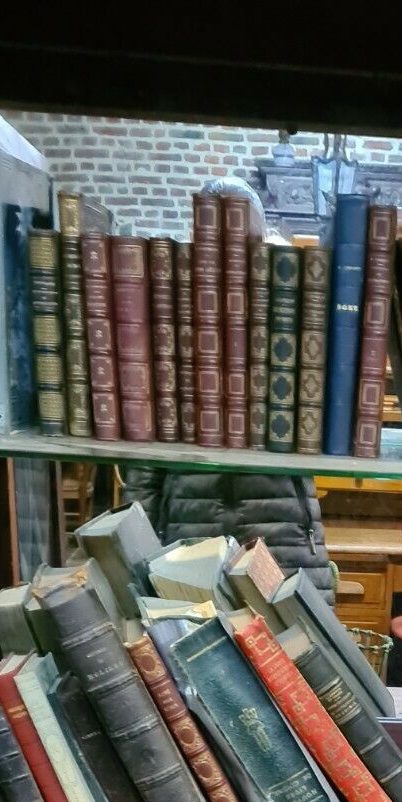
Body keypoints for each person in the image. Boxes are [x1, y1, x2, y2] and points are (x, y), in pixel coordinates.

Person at [121, 175, 335, 600]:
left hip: (282, 533)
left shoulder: (286, 295)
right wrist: (135, 548)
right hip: (188, 530)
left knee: (291, 647)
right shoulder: (177, 300)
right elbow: (148, 448)